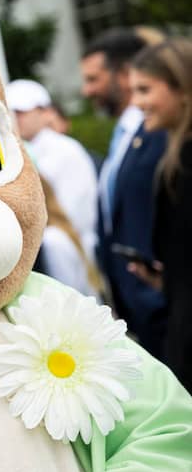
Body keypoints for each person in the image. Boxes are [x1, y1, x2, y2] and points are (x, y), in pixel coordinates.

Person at [81, 27, 167, 357]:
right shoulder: (124, 137)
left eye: (94, 79)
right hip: (140, 309)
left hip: (162, 301)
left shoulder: (159, 134)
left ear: (125, 72)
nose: (87, 91)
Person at [127, 37, 192, 391]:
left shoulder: (184, 163)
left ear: (181, 87)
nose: (136, 102)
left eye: (145, 89)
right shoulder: (175, 159)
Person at [5, 79, 98, 257]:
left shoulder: (65, 150)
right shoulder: (21, 150)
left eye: (21, 112)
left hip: (70, 247)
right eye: (11, 112)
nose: (15, 119)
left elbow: (74, 214)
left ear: (46, 112)